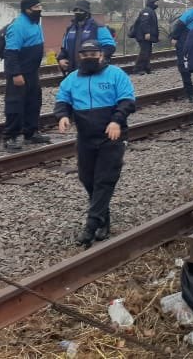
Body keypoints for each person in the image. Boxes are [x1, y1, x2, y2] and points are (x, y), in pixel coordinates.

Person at [54, 41, 136, 246]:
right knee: (87, 178)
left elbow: (127, 100)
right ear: (79, 57)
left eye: (93, 53)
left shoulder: (116, 75)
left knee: (105, 179)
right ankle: (103, 217)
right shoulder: (72, 79)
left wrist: (117, 120)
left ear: (101, 55)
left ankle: (91, 226)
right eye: (85, 54)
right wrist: (63, 116)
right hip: (85, 137)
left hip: (112, 135)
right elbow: (62, 100)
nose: (89, 57)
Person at [3, 0, 51, 151]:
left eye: (40, 6)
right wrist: (16, 74)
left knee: (34, 101)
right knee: (15, 104)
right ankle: (11, 136)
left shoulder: (35, 23)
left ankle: (31, 132)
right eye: (36, 7)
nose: (40, 10)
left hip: (32, 71)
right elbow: (11, 53)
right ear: (27, 9)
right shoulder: (18, 26)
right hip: (20, 72)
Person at [57, 0, 116, 74]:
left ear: (87, 12)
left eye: (81, 10)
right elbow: (64, 47)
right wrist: (61, 59)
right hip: (73, 70)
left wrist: (103, 55)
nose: (78, 13)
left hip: (94, 69)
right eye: (76, 10)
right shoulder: (70, 28)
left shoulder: (98, 27)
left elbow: (110, 45)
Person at [129, 0, 160, 74]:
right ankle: (138, 69)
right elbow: (144, 22)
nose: (157, 4)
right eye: (156, 2)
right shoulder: (146, 11)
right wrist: (147, 32)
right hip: (143, 36)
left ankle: (147, 68)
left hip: (145, 36)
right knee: (144, 52)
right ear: (152, 2)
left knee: (148, 52)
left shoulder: (149, 10)